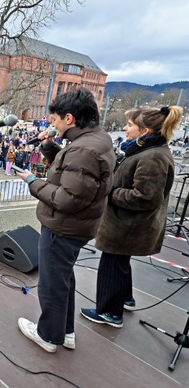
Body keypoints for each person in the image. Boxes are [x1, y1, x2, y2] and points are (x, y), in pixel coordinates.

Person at [15, 88, 115, 353]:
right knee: (63, 280)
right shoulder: (95, 140)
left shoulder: (84, 150)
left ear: (69, 118)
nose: (52, 124)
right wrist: (49, 146)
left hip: (63, 226)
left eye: (55, 119)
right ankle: (65, 331)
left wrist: (33, 182)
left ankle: (48, 335)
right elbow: (70, 171)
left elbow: (67, 198)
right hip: (77, 226)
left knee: (51, 284)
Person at [80, 106, 182, 328]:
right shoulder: (147, 151)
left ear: (144, 131)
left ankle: (109, 313)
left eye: (129, 125)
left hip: (127, 226)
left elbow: (145, 197)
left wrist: (111, 191)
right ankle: (125, 299)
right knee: (120, 264)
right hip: (127, 224)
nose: (124, 128)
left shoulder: (152, 156)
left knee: (112, 265)